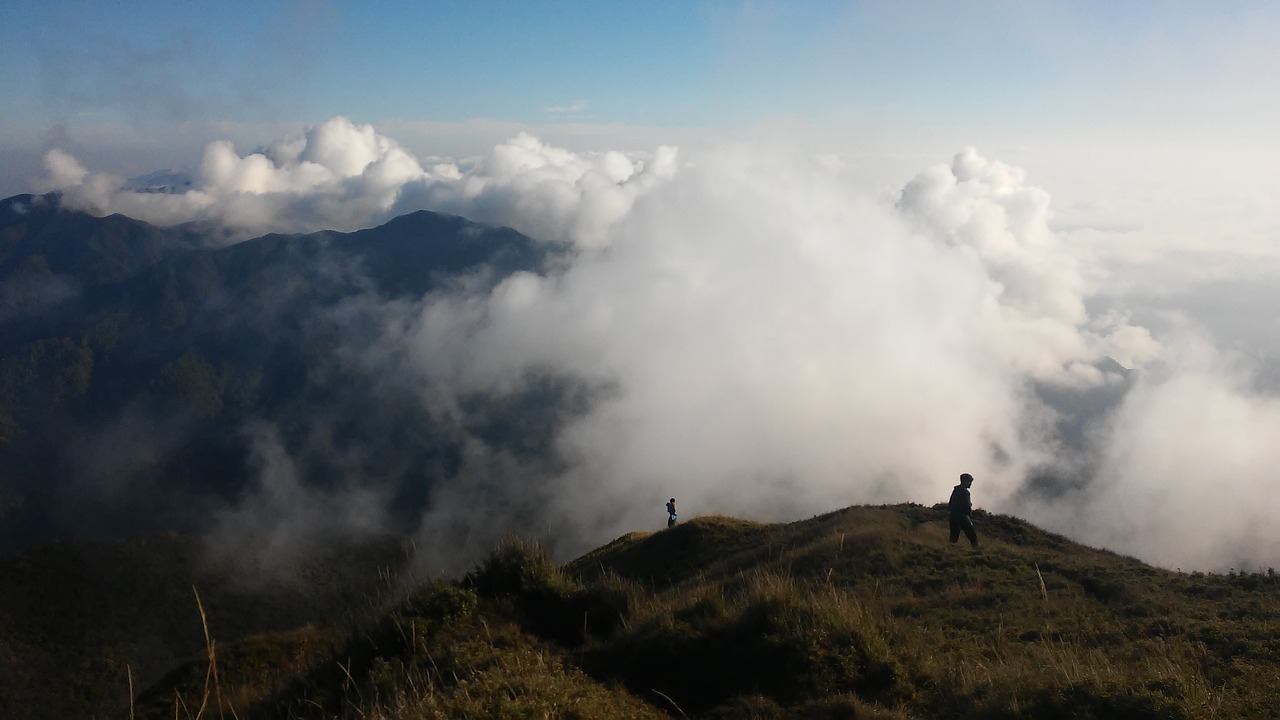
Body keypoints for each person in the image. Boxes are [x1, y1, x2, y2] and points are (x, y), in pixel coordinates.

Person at [948, 473, 979, 548]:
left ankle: (950, 550)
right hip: (963, 517)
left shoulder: (956, 490)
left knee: (954, 536)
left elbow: (950, 503)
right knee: (972, 536)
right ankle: (977, 551)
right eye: (969, 482)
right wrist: (968, 514)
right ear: (965, 481)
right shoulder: (965, 492)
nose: (970, 484)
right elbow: (967, 505)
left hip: (953, 517)